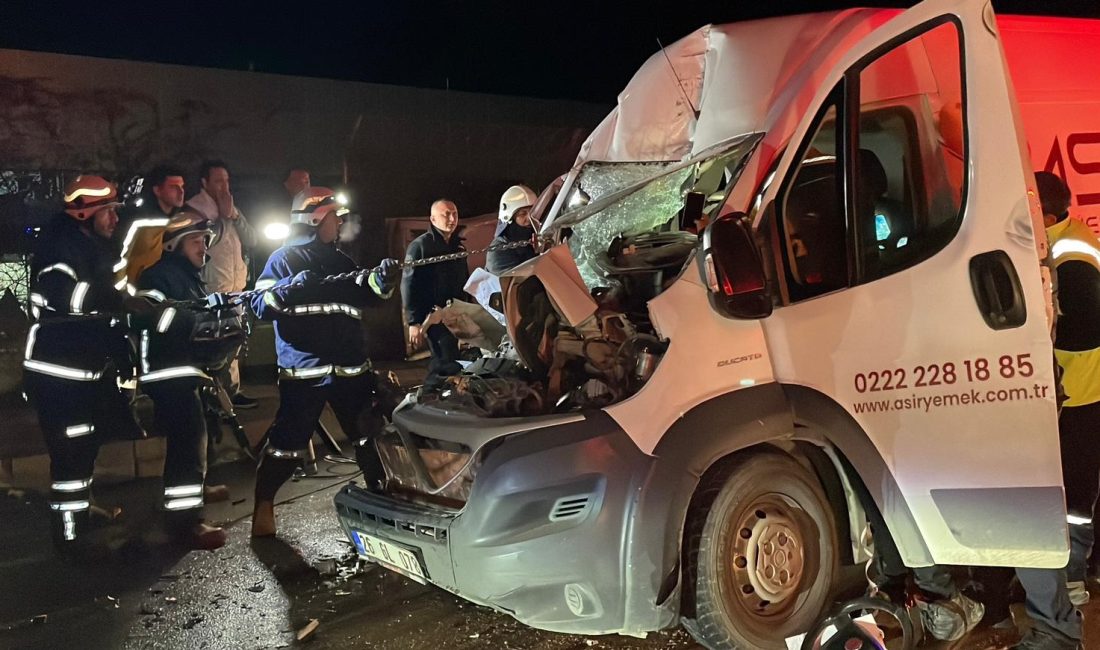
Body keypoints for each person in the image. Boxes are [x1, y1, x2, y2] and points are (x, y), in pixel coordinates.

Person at [249, 187, 400, 537]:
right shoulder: (282, 259)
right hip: (305, 375)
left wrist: (382, 280)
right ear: (315, 218)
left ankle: (385, 500)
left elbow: (369, 295)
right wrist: (289, 287)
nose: (341, 223)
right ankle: (264, 507)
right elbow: (259, 305)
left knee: (368, 439)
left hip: (351, 371)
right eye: (335, 216)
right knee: (287, 446)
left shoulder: (340, 261)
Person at [1008, 171, 1099, 650]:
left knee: (1077, 495)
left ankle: (1076, 576)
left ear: (1045, 214)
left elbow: (1085, 331)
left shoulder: (1074, 258)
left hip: (1086, 391)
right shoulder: (1057, 245)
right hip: (1076, 390)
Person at [22, 175, 138, 554]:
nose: (114, 219)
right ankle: (71, 536)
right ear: (86, 214)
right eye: (108, 212)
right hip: (60, 374)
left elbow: (110, 297)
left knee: (85, 447)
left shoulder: (95, 248)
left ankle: (83, 513)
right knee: (70, 456)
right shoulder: (59, 248)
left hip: (85, 370)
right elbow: (60, 296)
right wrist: (114, 299)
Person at [134, 209, 242, 549]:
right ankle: (185, 525)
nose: (204, 249)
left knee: (196, 439)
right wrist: (196, 319)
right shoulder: (159, 277)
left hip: (189, 370)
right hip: (170, 373)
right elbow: (154, 319)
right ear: (176, 245)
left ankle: (190, 501)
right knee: (188, 443)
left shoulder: (189, 277)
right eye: (197, 241)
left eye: (205, 241)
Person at [187, 160, 258, 409]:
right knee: (213, 345)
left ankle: (232, 391)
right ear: (204, 183)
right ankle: (212, 396)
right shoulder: (195, 210)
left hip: (235, 287)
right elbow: (206, 244)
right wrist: (220, 218)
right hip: (211, 289)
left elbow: (252, 239)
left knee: (233, 342)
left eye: (227, 181)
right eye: (218, 181)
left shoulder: (231, 208)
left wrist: (234, 216)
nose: (224, 186)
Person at [401, 199, 470, 383]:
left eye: (454, 213)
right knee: (444, 361)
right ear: (432, 219)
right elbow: (408, 285)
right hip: (432, 316)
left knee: (455, 360)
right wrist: (414, 322)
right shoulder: (420, 246)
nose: (452, 218)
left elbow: (465, 282)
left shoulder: (458, 247)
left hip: (455, 313)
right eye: (445, 214)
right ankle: (432, 398)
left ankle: (443, 397)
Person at [115, 165, 186, 288]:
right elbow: (119, 257)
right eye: (174, 187)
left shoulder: (179, 221)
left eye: (182, 186)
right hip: (136, 294)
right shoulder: (136, 220)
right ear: (157, 190)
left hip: (165, 290)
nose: (181, 192)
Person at [486, 184, 538, 275]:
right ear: (510, 218)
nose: (530, 218)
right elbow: (512, 285)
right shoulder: (498, 251)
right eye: (523, 214)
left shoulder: (537, 236)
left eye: (533, 211)